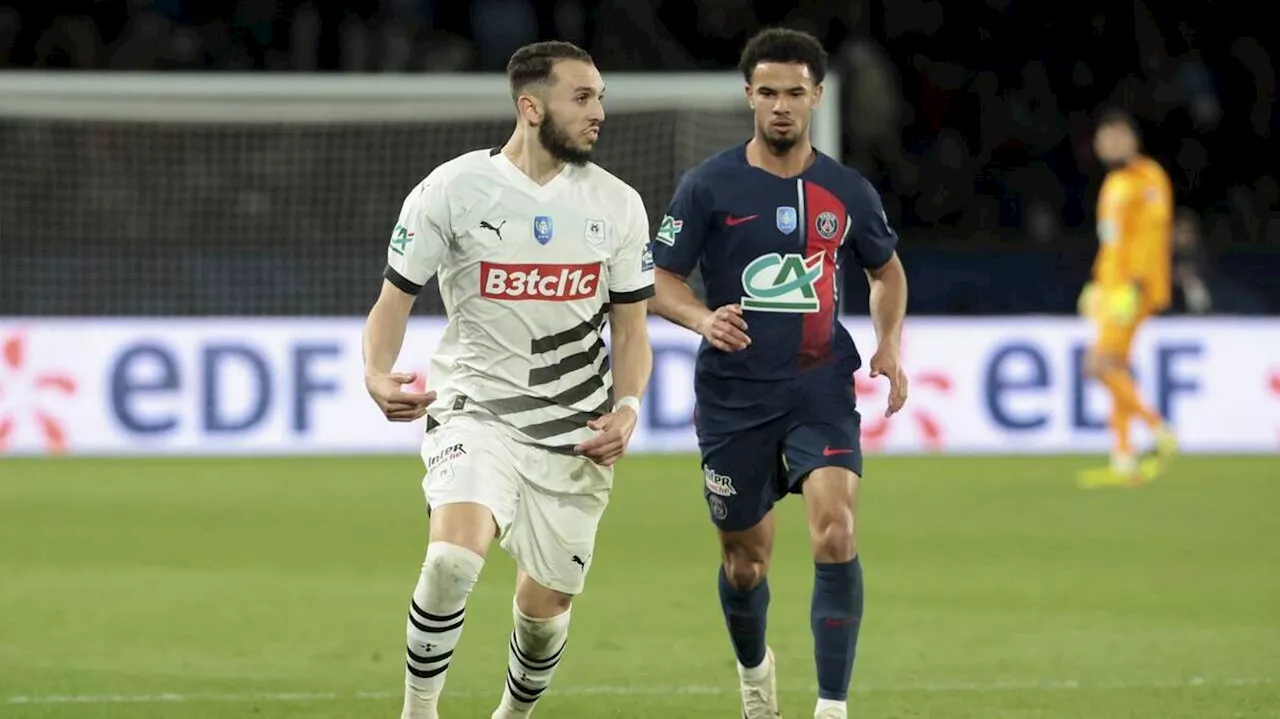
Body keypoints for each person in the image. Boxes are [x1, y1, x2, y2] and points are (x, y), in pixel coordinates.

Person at [361, 40, 655, 719]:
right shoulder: (452, 190)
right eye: (582, 97)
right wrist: (375, 371)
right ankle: (418, 710)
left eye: (600, 96)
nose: (599, 112)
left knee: (543, 609)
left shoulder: (618, 204)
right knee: (451, 561)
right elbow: (392, 302)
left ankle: (512, 714)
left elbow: (633, 331)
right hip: (474, 410)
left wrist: (629, 406)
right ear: (531, 106)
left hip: (574, 433)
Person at [648, 27, 909, 719]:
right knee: (746, 563)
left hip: (819, 385)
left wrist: (887, 343)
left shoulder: (846, 190)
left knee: (836, 530)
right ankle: (756, 673)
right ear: (749, 97)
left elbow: (887, 270)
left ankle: (831, 705)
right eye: (768, 93)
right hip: (734, 396)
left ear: (818, 96)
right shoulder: (708, 186)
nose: (782, 106)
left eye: (795, 92)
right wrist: (703, 319)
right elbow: (660, 280)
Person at [1077, 109, 1178, 488]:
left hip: (1133, 288)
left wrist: (1134, 287)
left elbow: (1152, 237)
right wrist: (1095, 282)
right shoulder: (1114, 183)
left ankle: (1160, 431)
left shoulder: (1148, 178)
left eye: (1118, 137)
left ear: (1132, 140)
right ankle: (1123, 460)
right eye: (1105, 139)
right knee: (1115, 367)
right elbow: (1111, 240)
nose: (1111, 145)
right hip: (1112, 286)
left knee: (1097, 364)